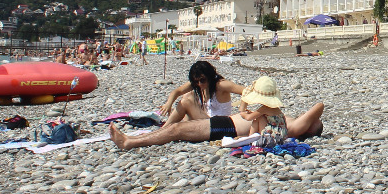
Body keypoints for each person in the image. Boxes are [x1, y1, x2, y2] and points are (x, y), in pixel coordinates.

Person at [113, 75, 324, 149]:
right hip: (227, 123)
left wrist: (314, 122)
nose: (308, 118)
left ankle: (130, 142)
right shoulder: (281, 120)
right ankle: (134, 139)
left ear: (310, 128)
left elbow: (319, 107)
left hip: (227, 127)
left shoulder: (294, 128)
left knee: (177, 129)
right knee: (178, 126)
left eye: (311, 122)